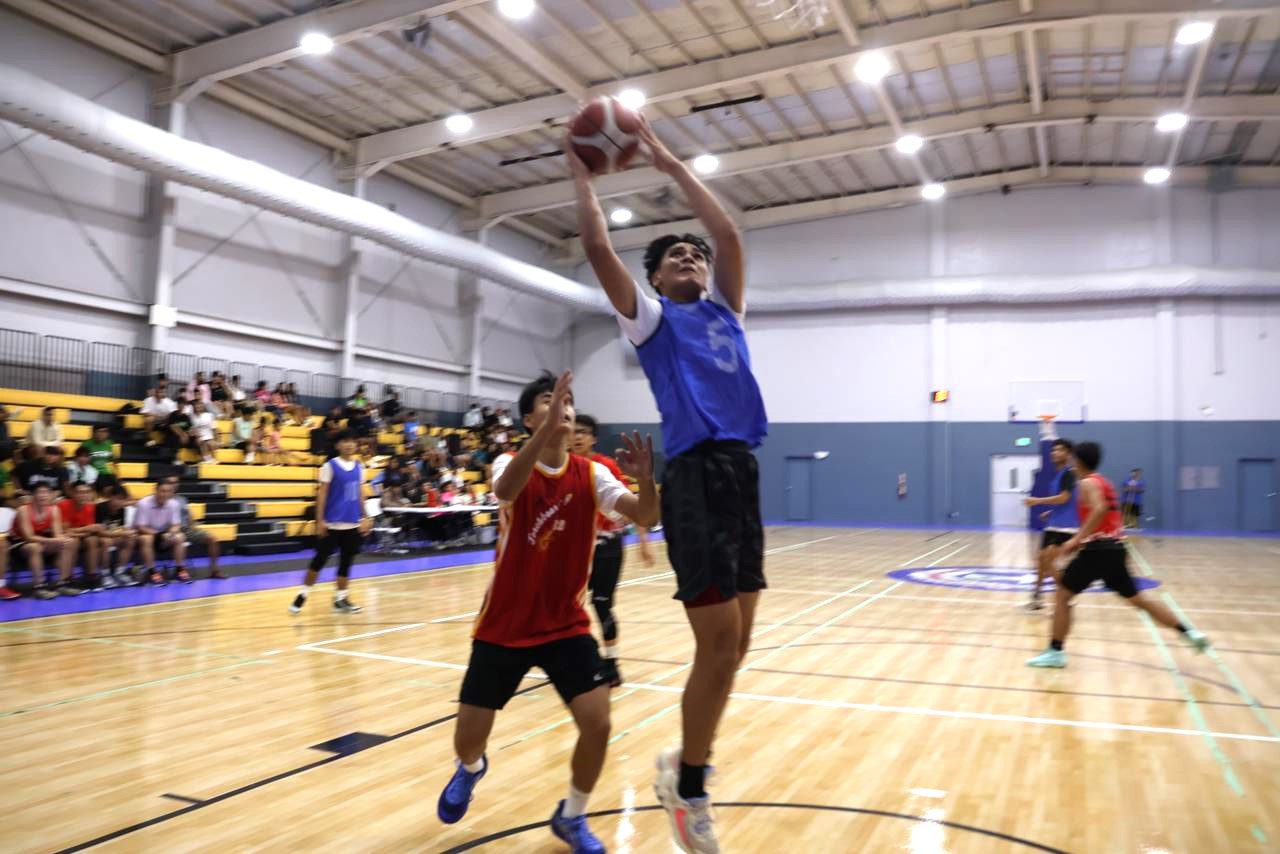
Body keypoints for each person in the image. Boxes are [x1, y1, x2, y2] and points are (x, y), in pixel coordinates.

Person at [569, 115, 767, 852]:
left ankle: (681, 765)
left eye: (694, 254)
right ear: (654, 281)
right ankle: (689, 789)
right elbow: (595, 246)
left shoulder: (727, 313)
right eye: (674, 256)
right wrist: (583, 173)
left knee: (737, 648)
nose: (690, 256)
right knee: (717, 646)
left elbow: (732, 238)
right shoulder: (652, 322)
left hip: (741, 472)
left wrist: (665, 159)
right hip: (693, 479)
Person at [435, 371, 658, 853]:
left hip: (565, 625)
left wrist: (646, 480)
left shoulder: (593, 473)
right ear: (528, 419)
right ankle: (472, 769)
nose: (564, 407)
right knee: (466, 742)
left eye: (569, 402)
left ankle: (572, 816)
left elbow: (646, 516)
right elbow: (506, 491)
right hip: (504, 625)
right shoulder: (506, 462)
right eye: (550, 401)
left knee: (598, 723)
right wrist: (544, 433)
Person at [1027, 442, 1209, 668]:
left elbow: (1099, 508)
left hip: (1097, 551)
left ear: (1078, 461)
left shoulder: (1086, 483)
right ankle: (1188, 633)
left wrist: (1077, 539)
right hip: (1116, 550)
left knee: (1063, 595)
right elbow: (1105, 512)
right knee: (1139, 600)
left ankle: (1055, 651)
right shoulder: (1104, 482)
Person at [573, 413, 656, 687]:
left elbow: (631, 506)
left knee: (601, 603)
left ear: (593, 438)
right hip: (575, 547)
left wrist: (643, 542)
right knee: (570, 604)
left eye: (582, 432)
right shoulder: (563, 466)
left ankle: (611, 664)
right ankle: (578, 658)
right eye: (573, 431)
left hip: (607, 545)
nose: (576, 437)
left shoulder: (604, 466)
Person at [289, 430, 370, 615]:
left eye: (352, 441)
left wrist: (366, 516)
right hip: (332, 523)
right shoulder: (330, 466)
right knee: (319, 561)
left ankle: (341, 599)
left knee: (346, 563)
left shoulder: (359, 467)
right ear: (337, 446)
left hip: (352, 523)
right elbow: (323, 494)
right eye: (345, 441)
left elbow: (360, 494)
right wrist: (320, 520)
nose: (349, 444)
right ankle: (303, 594)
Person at [1022, 438, 1076, 612]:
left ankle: (1066, 593)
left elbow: (1065, 498)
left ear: (1068, 454)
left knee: (1047, 560)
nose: (1054, 453)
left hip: (1067, 527)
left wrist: (1038, 501)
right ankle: (1037, 598)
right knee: (1041, 560)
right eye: (1053, 450)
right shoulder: (1058, 476)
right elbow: (1063, 502)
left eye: (1059, 450)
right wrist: (1051, 512)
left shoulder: (1070, 474)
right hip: (1053, 525)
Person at [10, 483, 78, 598]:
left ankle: (62, 583)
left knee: (68, 543)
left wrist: (62, 539)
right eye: (40, 492)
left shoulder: (54, 509)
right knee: (34, 547)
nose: (44, 495)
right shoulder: (23, 510)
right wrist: (54, 541)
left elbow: (57, 534)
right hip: (20, 544)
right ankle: (39, 586)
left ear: (51, 495)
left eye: (46, 492)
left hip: (43, 542)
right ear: (32, 495)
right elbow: (28, 537)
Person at [160, 475, 225, 580]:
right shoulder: (162, 499)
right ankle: (180, 570)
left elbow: (188, 515)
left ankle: (215, 570)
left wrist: (194, 524)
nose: (174, 485)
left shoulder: (182, 499)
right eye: (170, 482)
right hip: (171, 531)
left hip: (187, 529)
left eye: (176, 482)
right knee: (181, 539)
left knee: (213, 539)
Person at [134, 479, 189, 586]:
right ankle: (152, 572)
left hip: (164, 535)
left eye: (168, 492)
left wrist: (171, 533)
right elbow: (140, 527)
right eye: (162, 491)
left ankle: (179, 569)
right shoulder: (144, 503)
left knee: (180, 537)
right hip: (146, 534)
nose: (165, 494)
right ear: (156, 490)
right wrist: (159, 535)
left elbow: (176, 525)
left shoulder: (174, 504)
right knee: (147, 539)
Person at [59, 481, 104, 590]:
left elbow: (90, 532)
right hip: (61, 539)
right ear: (73, 493)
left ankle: (91, 576)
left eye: (87, 492)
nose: (84, 495)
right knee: (73, 541)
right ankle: (69, 578)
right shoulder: (64, 505)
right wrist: (86, 529)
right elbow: (65, 531)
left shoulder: (90, 507)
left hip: (80, 537)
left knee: (93, 540)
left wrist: (83, 531)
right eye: (80, 492)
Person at [95, 484, 139, 588]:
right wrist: (121, 533)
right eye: (118, 498)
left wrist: (128, 532)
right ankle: (105, 575)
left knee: (130, 539)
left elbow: (120, 527)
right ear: (111, 497)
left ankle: (120, 572)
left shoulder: (121, 510)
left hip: (113, 536)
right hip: (98, 537)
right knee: (106, 541)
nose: (121, 502)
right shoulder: (101, 508)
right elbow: (100, 532)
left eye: (123, 499)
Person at [190, 400, 218, 464]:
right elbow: (193, 429)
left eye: (200, 404)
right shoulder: (192, 417)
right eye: (196, 405)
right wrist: (198, 436)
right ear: (194, 407)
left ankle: (208, 459)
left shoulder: (209, 415)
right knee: (202, 442)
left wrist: (216, 440)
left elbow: (214, 428)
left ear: (203, 406)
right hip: (198, 438)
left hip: (209, 437)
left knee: (211, 444)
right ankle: (209, 460)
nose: (198, 406)